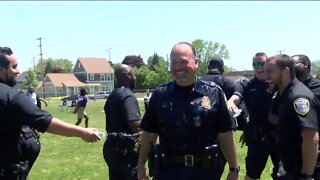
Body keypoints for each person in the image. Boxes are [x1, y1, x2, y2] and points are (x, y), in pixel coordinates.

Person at [138, 42, 239, 180]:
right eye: (174, 62)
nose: (178, 67)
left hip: (205, 171)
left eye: (183, 62)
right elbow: (149, 134)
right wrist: (141, 165)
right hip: (168, 171)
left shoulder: (213, 93)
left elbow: (225, 134)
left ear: (196, 62)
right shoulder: (160, 95)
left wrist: (234, 168)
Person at [0, 47, 100, 180]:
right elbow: (45, 121)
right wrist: (82, 132)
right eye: (14, 67)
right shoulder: (10, 96)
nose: (18, 71)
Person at [265, 54, 320, 179]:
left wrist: (306, 176)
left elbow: (311, 138)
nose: (266, 76)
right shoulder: (283, 94)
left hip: (301, 171)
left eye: (270, 72)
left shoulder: (298, 97)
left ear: (285, 71)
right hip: (290, 166)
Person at [227, 52, 280, 180]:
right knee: (251, 175)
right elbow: (236, 97)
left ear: (268, 64)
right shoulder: (247, 85)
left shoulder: (278, 84)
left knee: (283, 174)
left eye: (261, 63)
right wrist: (230, 103)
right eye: (255, 64)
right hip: (258, 138)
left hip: (278, 137)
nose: (258, 66)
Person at [200, 57, 238, 178]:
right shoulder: (228, 82)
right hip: (222, 129)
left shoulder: (199, 81)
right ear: (221, 68)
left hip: (201, 130)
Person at [103, 64, 141, 180]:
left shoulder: (113, 94)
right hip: (125, 150)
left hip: (111, 147)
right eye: (134, 75)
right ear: (129, 76)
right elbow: (134, 124)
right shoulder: (128, 96)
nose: (135, 78)